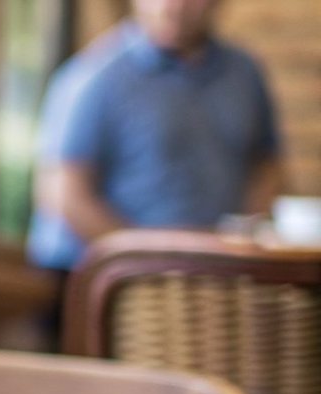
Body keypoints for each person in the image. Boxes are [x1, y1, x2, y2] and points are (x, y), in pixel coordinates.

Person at [28, 0, 284, 303]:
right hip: (110, 285)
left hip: (217, 282)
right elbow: (64, 195)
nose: (173, 6)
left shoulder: (245, 72)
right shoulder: (94, 76)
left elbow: (266, 164)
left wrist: (241, 242)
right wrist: (148, 261)